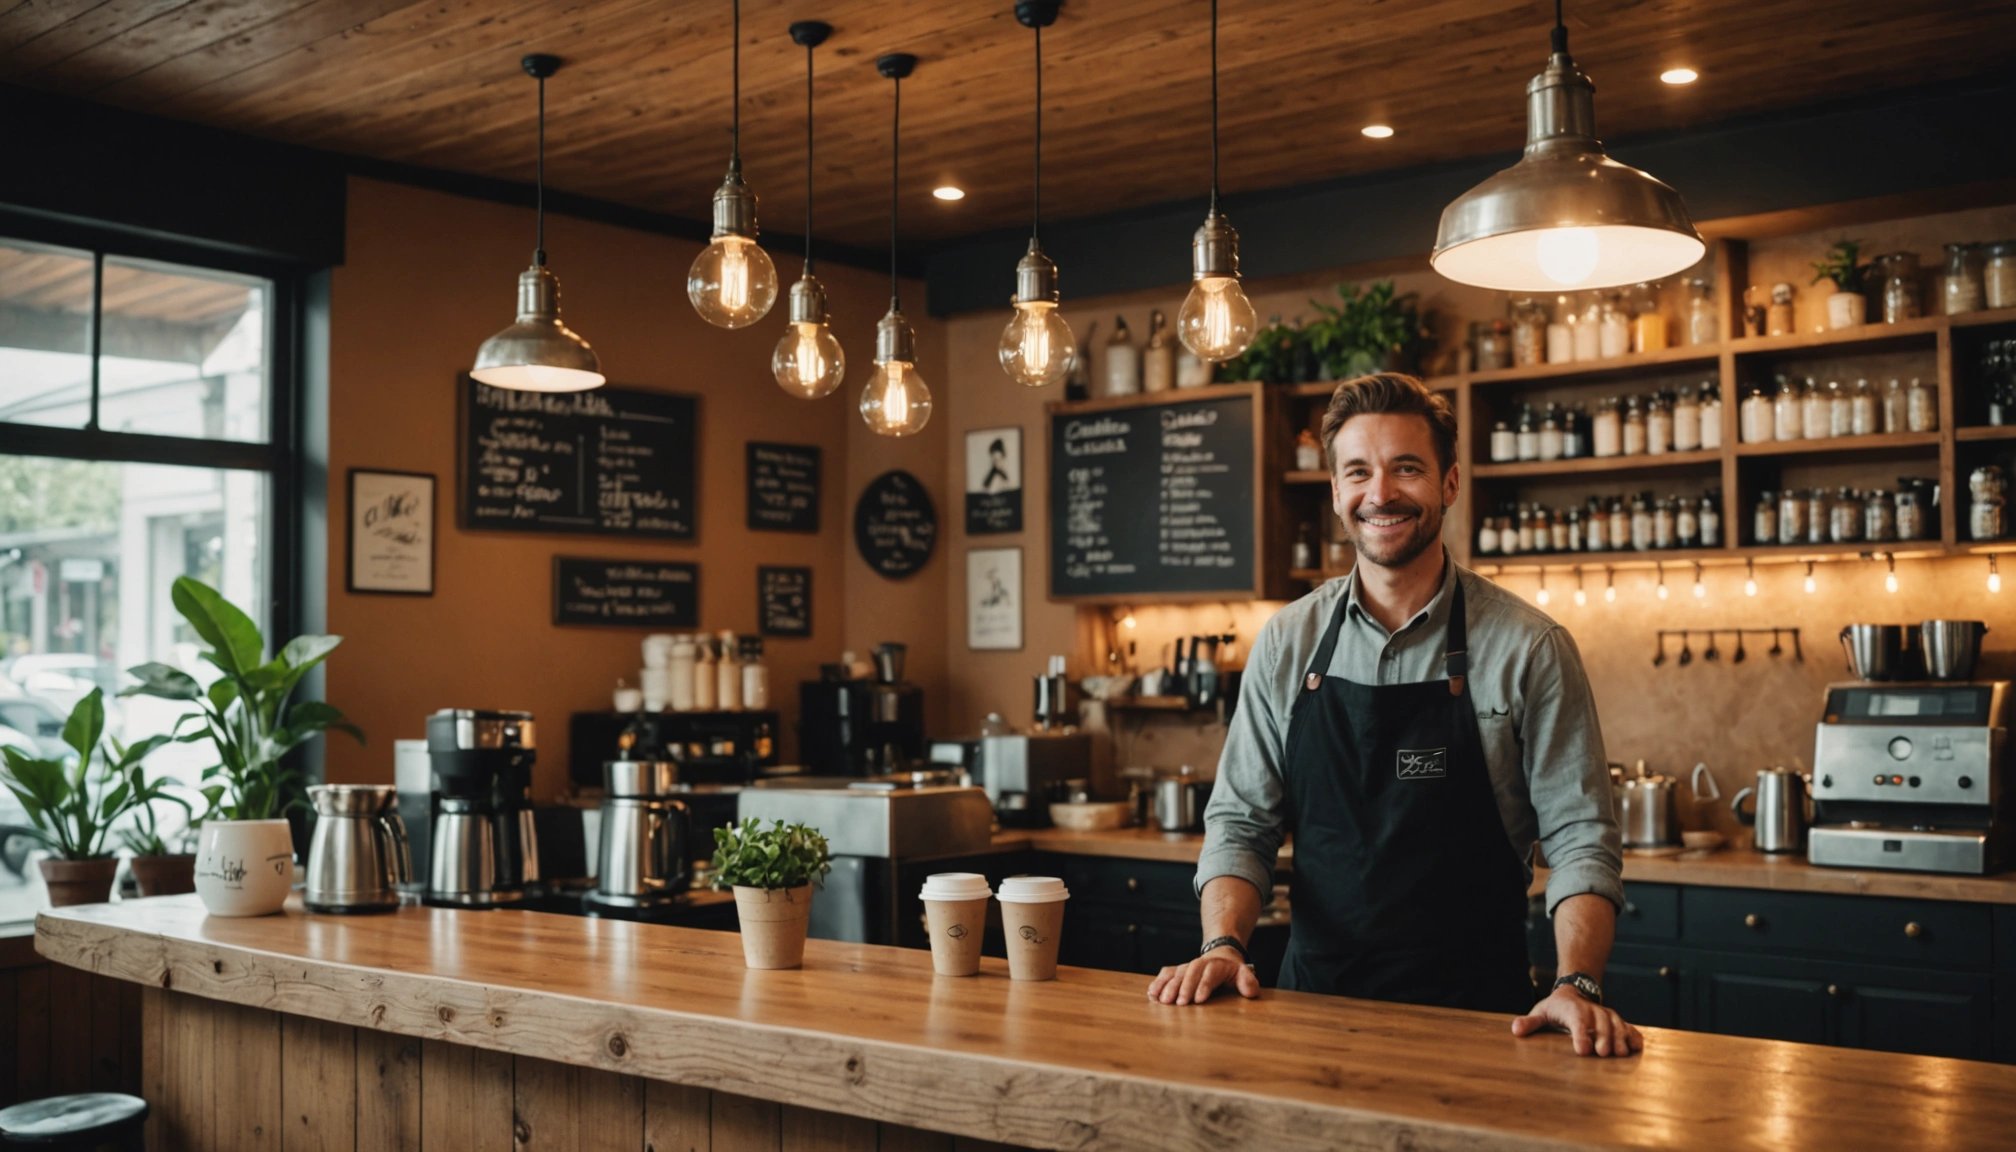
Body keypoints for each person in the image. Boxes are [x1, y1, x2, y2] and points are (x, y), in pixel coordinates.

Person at [1147, 373, 1640, 1058]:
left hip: (1482, 1025)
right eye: (1358, 473)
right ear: (1336, 494)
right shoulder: (1288, 643)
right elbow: (1241, 824)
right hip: (1309, 1018)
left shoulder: (1529, 647)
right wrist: (1224, 944)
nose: (1380, 493)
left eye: (1406, 468)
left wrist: (1577, 983)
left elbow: (1581, 837)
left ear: (1450, 483)